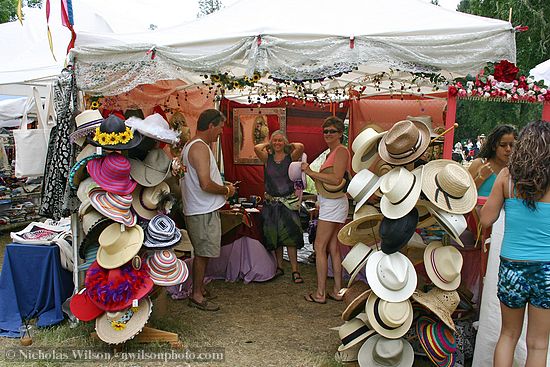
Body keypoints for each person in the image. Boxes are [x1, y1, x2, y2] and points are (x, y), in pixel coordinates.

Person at [480, 120, 550, 367]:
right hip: (547, 269)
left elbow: (486, 218)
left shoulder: (507, 177)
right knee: (539, 344)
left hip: (512, 267)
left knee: (508, 336)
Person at [181, 109, 236, 311]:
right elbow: (205, 184)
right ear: (211, 126)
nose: (221, 132)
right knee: (202, 254)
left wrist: (222, 184)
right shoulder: (200, 148)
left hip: (199, 208)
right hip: (201, 209)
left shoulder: (193, 146)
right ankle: (196, 295)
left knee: (203, 252)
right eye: (220, 127)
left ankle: (199, 289)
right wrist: (226, 190)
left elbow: (201, 180)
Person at [301, 116, 350, 304]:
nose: (328, 134)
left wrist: (311, 172)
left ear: (340, 133)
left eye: (332, 131)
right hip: (331, 202)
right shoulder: (332, 152)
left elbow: (337, 179)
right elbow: (325, 181)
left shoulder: (341, 151)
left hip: (334, 204)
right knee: (332, 247)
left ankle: (321, 293)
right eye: (325, 131)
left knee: (319, 246)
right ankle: (337, 290)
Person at [254, 131, 305, 283]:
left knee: (290, 236)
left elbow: (300, 146)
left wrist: (287, 144)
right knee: (274, 236)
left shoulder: (291, 158)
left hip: (287, 202)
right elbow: (257, 148)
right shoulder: (267, 159)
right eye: (274, 141)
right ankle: (279, 267)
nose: (277, 143)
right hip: (271, 203)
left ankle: (295, 270)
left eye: (280, 141)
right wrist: (269, 144)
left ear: (285, 143)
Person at [468, 125, 517, 197]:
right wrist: (481, 178)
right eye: (503, 145)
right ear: (494, 146)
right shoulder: (479, 164)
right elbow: (464, 195)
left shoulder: (517, 170)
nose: (508, 149)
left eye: (512, 145)